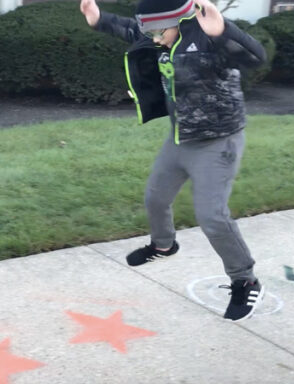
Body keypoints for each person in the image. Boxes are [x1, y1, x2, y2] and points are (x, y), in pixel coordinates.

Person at [79, 0, 267, 321]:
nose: (153, 39)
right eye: (148, 30)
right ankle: (164, 246)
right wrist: (98, 19)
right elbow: (129, 28)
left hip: (217, 140)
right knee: (155, 197)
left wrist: (223, 31)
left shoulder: (208, 35)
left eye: (157, 31)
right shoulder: (157, 32)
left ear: (179, 20)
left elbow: (255, 58)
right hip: (180, 135)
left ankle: (245, 278)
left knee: (212, 217)